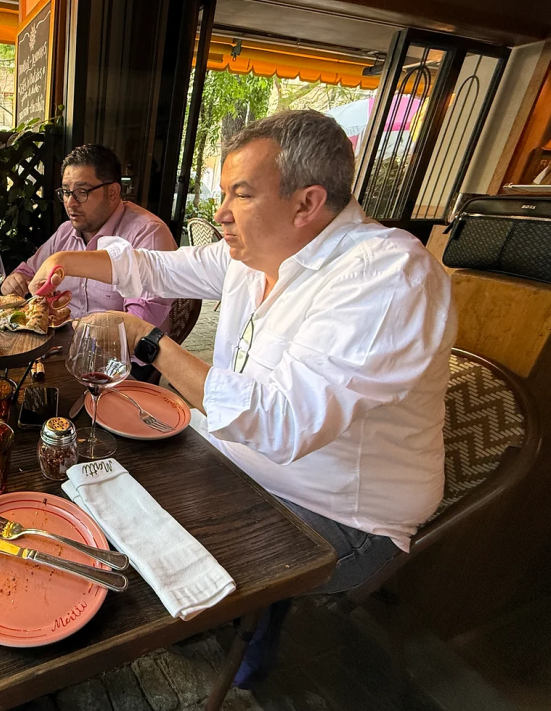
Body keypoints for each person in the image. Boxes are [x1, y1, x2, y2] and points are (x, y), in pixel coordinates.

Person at [29, 110, 456, 684]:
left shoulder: (386, 275)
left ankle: (235, 625)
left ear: (307, 203)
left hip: (334, 515)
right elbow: (155, 266)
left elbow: (282, 423)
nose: (220, 213)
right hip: (234, 459)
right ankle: (210, 611)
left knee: (146, 542)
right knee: (108, 478)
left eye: (241, 194)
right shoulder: (258, 253)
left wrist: (146, 340)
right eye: (223, 192)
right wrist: (64, 260)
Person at [2, 144, 177, 330]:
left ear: (112, 193)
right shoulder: (66, 232)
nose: (70, 203)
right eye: (66, 192)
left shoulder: (148, 233)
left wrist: (79, 330)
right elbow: (29, 272)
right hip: (62, 340)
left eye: (81, 192)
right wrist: (17, 280)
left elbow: (141, 325)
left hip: (118, 347)